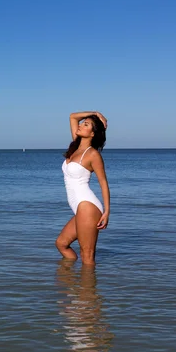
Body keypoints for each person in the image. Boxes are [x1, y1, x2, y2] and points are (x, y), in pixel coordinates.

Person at [56, 111, 110, 265]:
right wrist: (96, 113)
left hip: (87, 205)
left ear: (92, 134)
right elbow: (73, 116)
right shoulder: (75, 147)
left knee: (87, 255)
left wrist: (106, 212)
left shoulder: (92, 155)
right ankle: (73, 284)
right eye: (82, 123)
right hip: (78, 207)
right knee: (61, 244)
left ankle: (88, 288)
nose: (80, 125)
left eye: (86, 124)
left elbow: (103, 183)